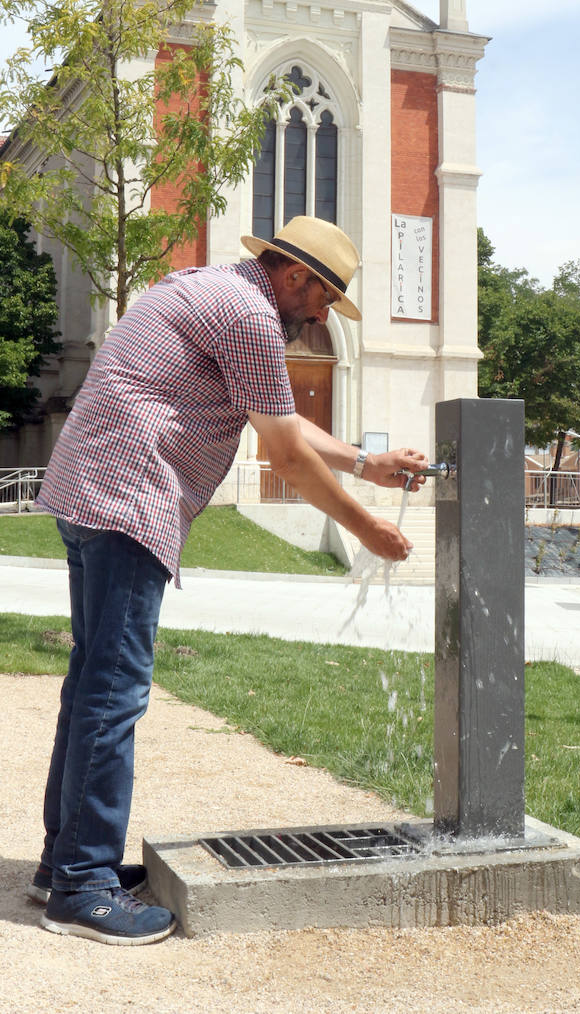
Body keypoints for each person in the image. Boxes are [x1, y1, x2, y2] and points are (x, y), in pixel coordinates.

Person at [31, 216, 427, 945]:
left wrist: (366, 464)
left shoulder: (216, 288)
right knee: (114, 691)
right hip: (128, 497)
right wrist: (367, 525)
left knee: (91, 682)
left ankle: (64, 865)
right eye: (325, 297)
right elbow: (283, 453)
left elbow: (278, 422)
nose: (321, 315)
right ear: (297, 275)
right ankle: (82, 888)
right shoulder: (250, 313)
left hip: (91, 490)